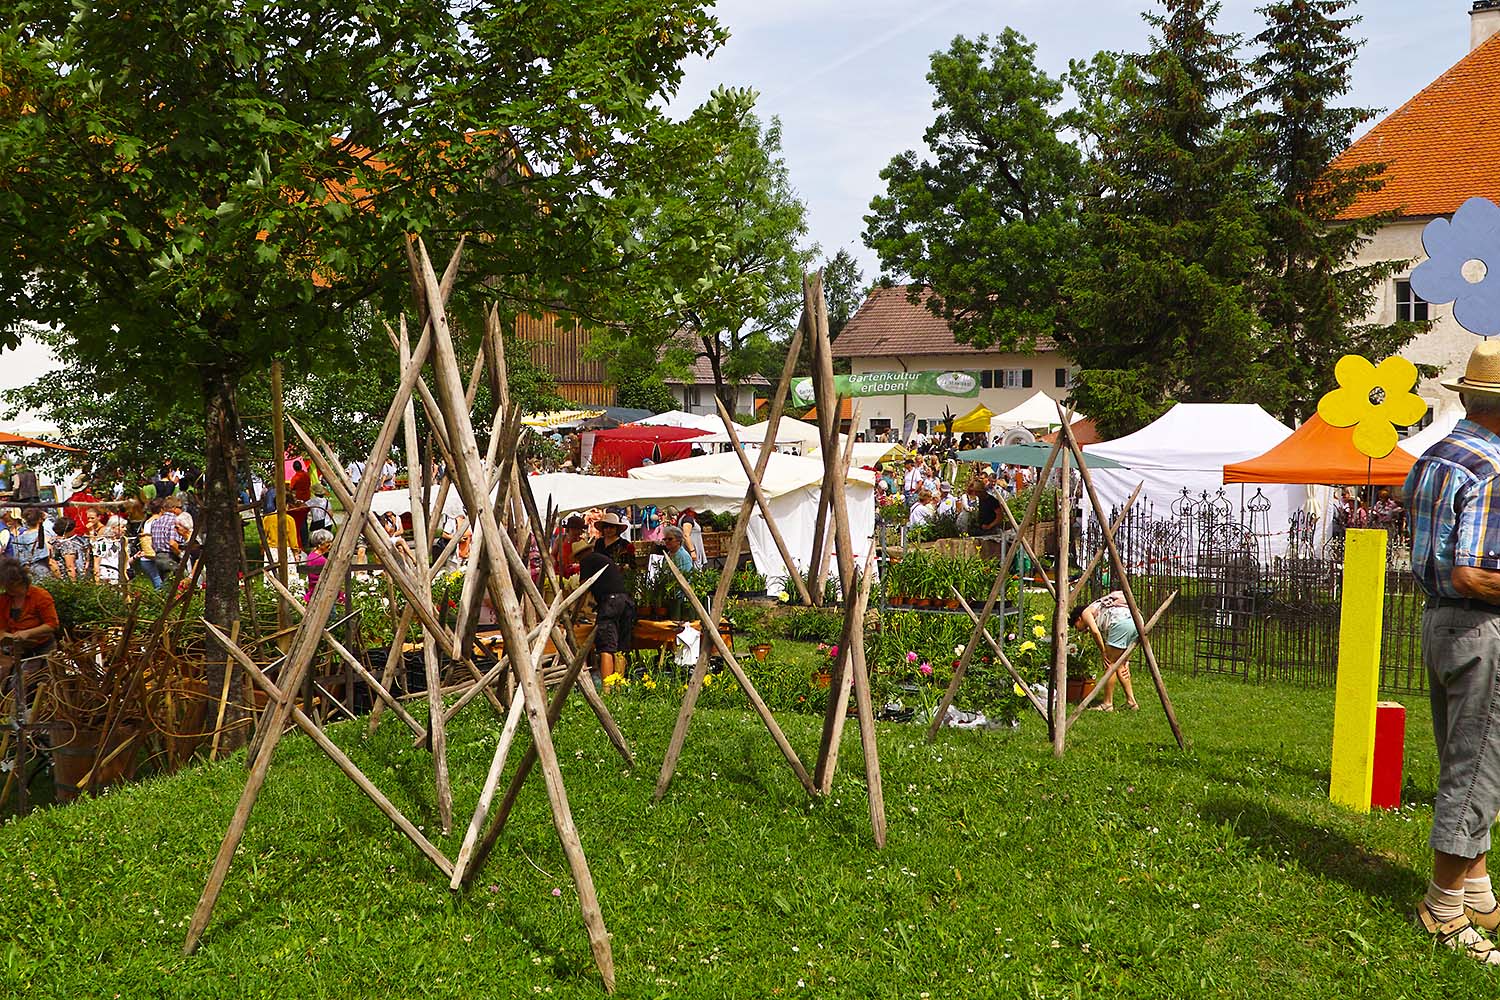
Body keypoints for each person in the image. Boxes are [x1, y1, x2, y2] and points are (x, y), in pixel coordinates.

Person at [1404, 341, 1500, 965]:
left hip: (1439, 623)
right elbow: (1473, 572)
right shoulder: (1494, 467)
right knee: (1477, 768)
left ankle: (1477, 890)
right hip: (1481, 627)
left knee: (1467, 756)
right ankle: (1442, 907)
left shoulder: (1436, 455)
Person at [576, 541, 636, 688]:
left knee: (606, 645)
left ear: (579, 556)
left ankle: (607, 689)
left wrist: (575, 612)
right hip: (625, 601)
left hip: (611, 603)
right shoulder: (601, 559)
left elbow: (583, 589)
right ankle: (619, 686)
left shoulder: (587, 560)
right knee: (621, 646)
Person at [0, 558, 60, 698]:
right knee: (6, 681)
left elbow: (52, 625)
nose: (7, 589)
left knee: (22, 685)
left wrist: (27, 633)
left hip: (40, 648)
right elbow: (2, 627)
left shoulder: (40, 596)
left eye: (10, 585)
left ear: (18, 581)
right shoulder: (4, 599)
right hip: (15, 649)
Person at [1071, 592, 1139, 712]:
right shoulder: (1099, 608)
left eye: (1077, 627)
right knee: (1121, 664)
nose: (1079, 630)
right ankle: (1131, 702)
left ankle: (1107, 704)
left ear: (1079, 619)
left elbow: (1095, 632)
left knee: (1110, 664)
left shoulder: (1086, 612)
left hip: (1120, 623)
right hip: (1136, 621)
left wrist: (1103, 652)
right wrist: (1126, 659)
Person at [48, 517, 87, 581]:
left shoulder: (51, 541)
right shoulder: (67, 545)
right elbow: (70, 567)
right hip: (67, 579)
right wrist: (74, 583)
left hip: (55, 576)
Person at [92, 516, 126, 585]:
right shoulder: (103, 543)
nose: (125, 529)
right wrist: (97, 580)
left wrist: (135, 557)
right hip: (106, 576)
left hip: (118, 576)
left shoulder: (122, 543)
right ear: (113, 528)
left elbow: (125, 562)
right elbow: (97, 562)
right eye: (122, 527)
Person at [304, 528, 334, 601]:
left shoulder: (312, 555)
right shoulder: (320, 560)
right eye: (328, 542)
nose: (330, 545)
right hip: (321, 594)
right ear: (320, 544)